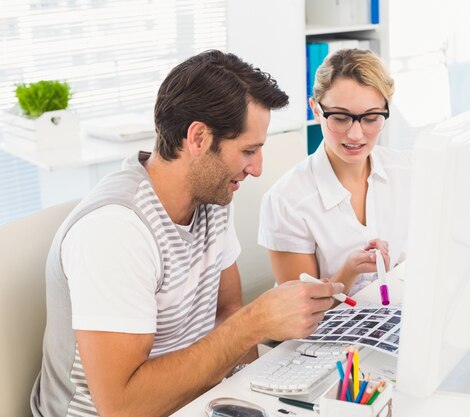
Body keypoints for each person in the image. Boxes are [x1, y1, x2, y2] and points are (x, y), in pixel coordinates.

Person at [30, 50, 344, 417]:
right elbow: (122, 407)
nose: (257, 168)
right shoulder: (115, 230)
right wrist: (254, 324)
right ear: (198, 138)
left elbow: (227, 311)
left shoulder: (212, 197)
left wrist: (249, 399)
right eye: (248, 150)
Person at [258, 49, 412, 296]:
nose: (355, 134)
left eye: (371, 118)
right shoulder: (286, 200)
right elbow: (300, 314)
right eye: (340, 118)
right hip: (323, 330)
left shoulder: (406, 170)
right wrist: (350, 270)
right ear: (316, 110)